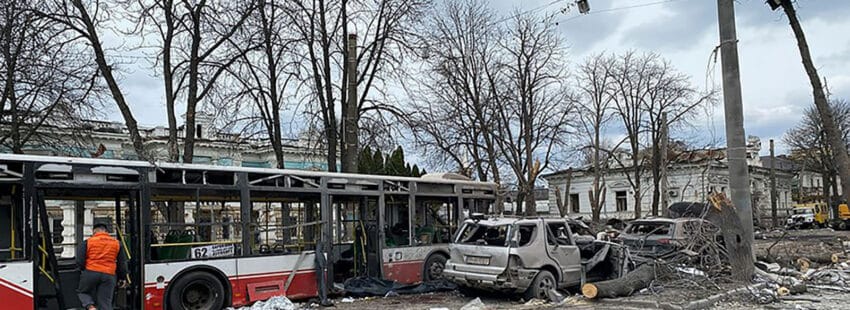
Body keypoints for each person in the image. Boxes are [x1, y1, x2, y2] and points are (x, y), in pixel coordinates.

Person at [76, 223, 127, 310]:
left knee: (83, 292)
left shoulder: (88, 242)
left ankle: (90, 306)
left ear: (94, 232)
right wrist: (122, 278)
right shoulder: (117, 243)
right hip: (109, 275)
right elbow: (122, 263)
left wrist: (84, 270)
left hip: (91, 272)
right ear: (106, 232)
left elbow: (80, 260)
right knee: (105, 302)